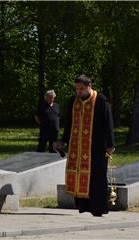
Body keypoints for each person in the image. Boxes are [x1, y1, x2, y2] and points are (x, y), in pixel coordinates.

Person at [54, 74, 115, 217]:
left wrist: (110, 144)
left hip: (97, 146)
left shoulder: (100, 100)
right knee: (79, 175)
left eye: (81, 89)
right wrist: (63, 141)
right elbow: (69, 123)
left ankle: (98, 208)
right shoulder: (73, 101)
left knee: (97, 177)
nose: (78, 92)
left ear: (89, 86)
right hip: (78, 147)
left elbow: (108, 123)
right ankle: (83, 206)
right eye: (76, 89)